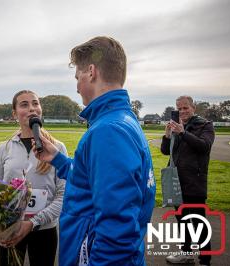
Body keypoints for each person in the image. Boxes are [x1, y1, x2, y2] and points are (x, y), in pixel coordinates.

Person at [33, 36, 156, 265]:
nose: (77, 86)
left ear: (91, 72)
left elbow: (116, 230)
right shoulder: (121, 120)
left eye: (77, 77)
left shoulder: (108, 131)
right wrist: (58, 160)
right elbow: (93, 181)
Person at [0, 90, 67, 266]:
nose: (32, 108)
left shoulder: (57, 148)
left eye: (35, 103)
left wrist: (33, 222)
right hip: (10, 228)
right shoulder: (4, 149)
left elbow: (63, 195)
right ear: (14, 113)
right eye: (24, 104)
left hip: (44, 230)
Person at [161, 96, 215, 265]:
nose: (182, 111)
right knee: (182, 220)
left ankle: (205, 259)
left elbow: (204, 146)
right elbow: (165, 151)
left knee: (199, 222)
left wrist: (183, 132)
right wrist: (168, 134)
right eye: (179, 108)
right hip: (177, 180)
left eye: (185, 108)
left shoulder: (205, 125)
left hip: (195, 181)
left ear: (194, 108)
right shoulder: (178, 126)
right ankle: (186, 253)